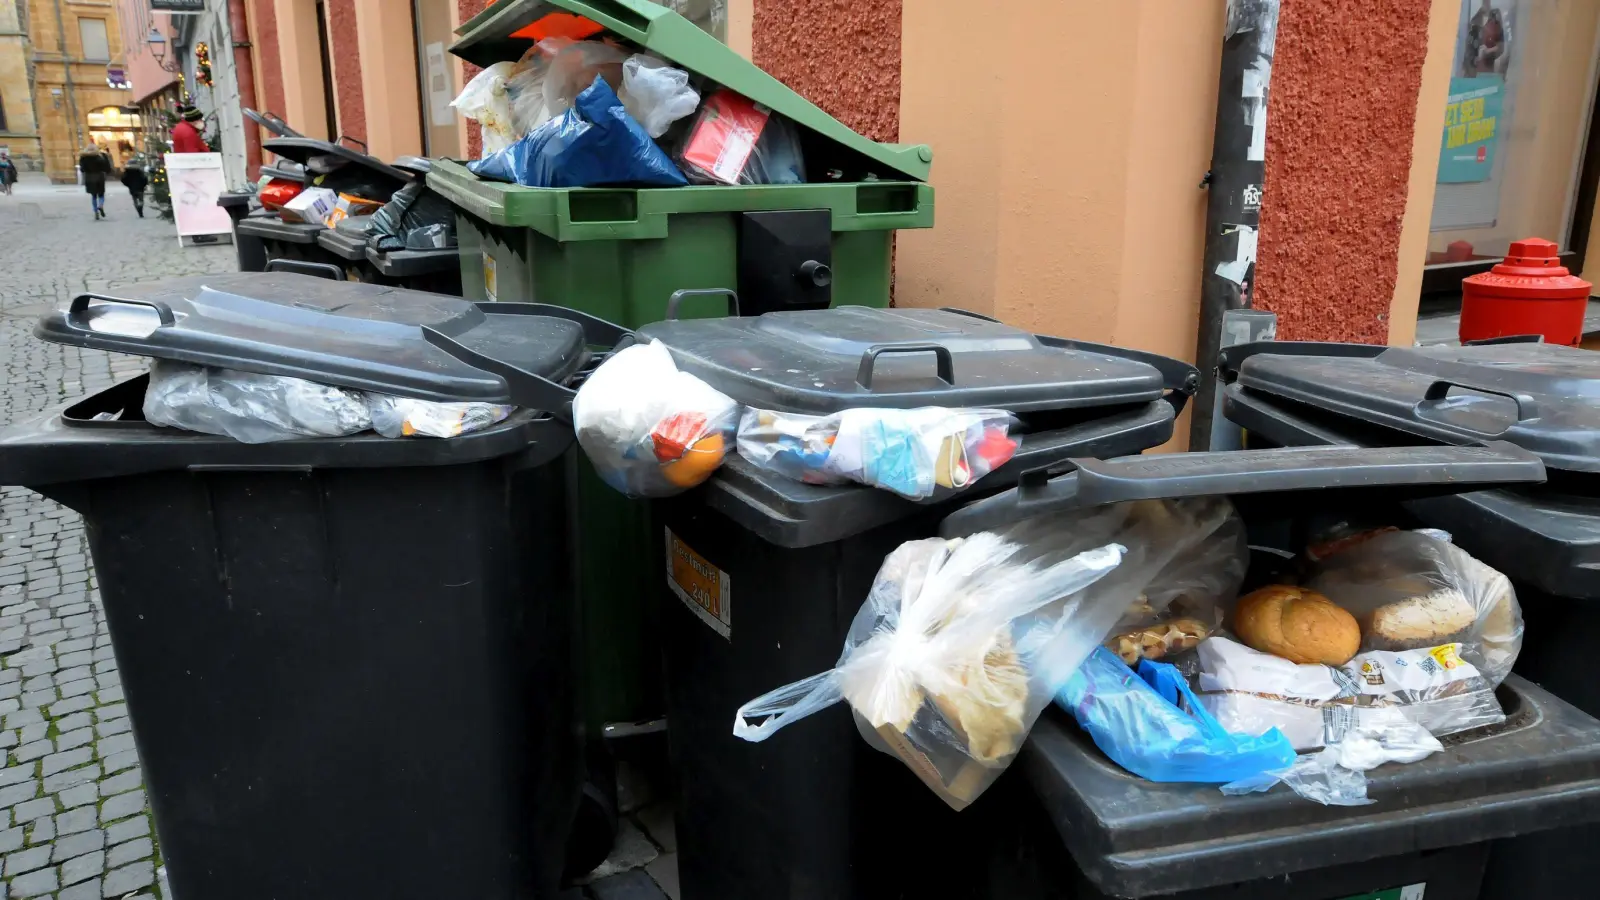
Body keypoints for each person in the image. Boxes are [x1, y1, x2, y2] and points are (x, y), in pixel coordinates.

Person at [79, 143, 111, 220]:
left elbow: (82, 169)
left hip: (89, 177)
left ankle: (95, 211)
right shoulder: (101, 156)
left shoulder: (84, 158)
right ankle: (100, 205)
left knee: (93, 196)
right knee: (101, 194)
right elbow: (107, 167)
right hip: (99, 176)